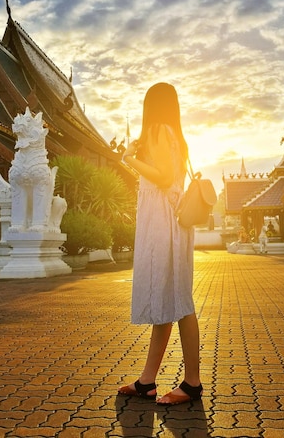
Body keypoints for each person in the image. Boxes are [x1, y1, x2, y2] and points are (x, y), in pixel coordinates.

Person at [117, 83, 202, 405]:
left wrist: (128, 158)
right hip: (171, 221)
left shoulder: (158, 129)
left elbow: (164, 177)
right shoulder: (174, 133)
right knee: (170, 300)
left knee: (179, 301)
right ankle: (147, 381)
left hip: (163, 223)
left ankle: (192, 384)